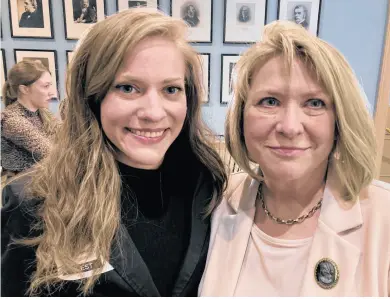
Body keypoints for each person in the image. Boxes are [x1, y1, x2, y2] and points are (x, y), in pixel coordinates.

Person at [1, 8, 227, 297]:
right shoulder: (33, 202)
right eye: (128, 88)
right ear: (92, 96)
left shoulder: (209, 188)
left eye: (171, 89)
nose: (153, 113)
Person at [199, 20, 390, 296]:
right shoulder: (214, 203)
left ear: (340, 120)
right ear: (241, 117)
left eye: (314, 103)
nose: (290, 126)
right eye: (269, 101)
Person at [1, 60, 59, 179]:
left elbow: (66, 137)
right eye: (46, 86)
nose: (52, 92)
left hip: (42, 184)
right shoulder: (13, 121)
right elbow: (53, 153)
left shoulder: (44, 113)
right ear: (24, 89)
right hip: (23, 190)